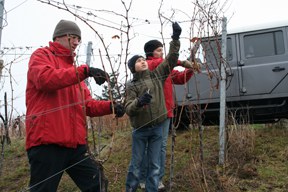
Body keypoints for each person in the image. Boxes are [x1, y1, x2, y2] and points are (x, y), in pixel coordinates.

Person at [25, 19, 125, 192]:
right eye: (73, 37)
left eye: (79, 39)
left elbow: (88, 105)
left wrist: (112, 106)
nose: (77, 42)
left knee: (98, 185)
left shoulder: (74, 71)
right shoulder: (42, 56)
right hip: (48, 143)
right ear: (59, 37)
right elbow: (45, 80)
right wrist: (85, 71)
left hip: (75, 145)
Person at [124, 22, 194, 192]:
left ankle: (152, 186)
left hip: (160, 120)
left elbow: (172, 66)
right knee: (137, 162)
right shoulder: (134, 83)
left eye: (143, 60)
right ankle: (135, 185)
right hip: (141, 128)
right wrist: (139, 102)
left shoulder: (157, 75)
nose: (143, 62)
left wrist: (175, 39)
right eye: (139, 61)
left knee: (156, 160)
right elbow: (128, 108)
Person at [139, 39, 195, 190]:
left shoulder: (166, 66)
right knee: (148, 146)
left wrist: (191, 69)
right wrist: (182, 61)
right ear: (150, 52)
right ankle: (144, 179)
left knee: (161, 146)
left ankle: (157, 179)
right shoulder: (148, 65)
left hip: (167, 111)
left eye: (162, 50)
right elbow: (162, 64)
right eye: (158, 50)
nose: (162, 53)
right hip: (152, 112)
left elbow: (179, 78)